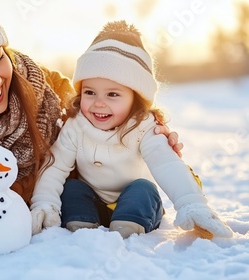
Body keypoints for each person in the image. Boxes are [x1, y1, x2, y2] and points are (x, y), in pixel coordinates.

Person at [0, 0, 183, 248]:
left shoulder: (42, 84)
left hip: (67, 194)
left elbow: (102, 111)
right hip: (13, 199)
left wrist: (151, 131)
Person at [30, 21, 233, 239]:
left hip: (137, 203)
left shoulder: (144, 127)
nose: (98, 103)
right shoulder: (77, 126)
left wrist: (192, 204)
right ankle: (82, 227)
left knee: (143, 188)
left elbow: (167, 164)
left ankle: (128, 225)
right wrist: (44, 202)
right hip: (94, 201)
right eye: (90, 92)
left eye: (113, 94)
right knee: (73, 189)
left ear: (135, 98)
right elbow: (55, 167)